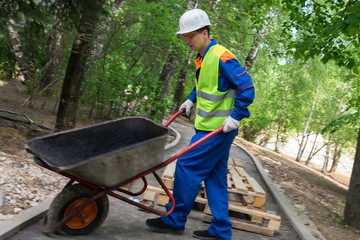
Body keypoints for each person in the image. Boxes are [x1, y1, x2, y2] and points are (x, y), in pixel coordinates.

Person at [146, 8, 254, 240]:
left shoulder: (222, 57)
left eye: (190, 35)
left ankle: (175, 219)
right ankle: (221, 230)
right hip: (208, 128)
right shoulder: (202, 58)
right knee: (215, 176)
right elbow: (207, 86)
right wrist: (191, 99)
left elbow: (247, 87)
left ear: (205, 33)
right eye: (184, 36)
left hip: (217, 130)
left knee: (186, 166)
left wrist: (236, 116)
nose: (187, 40)